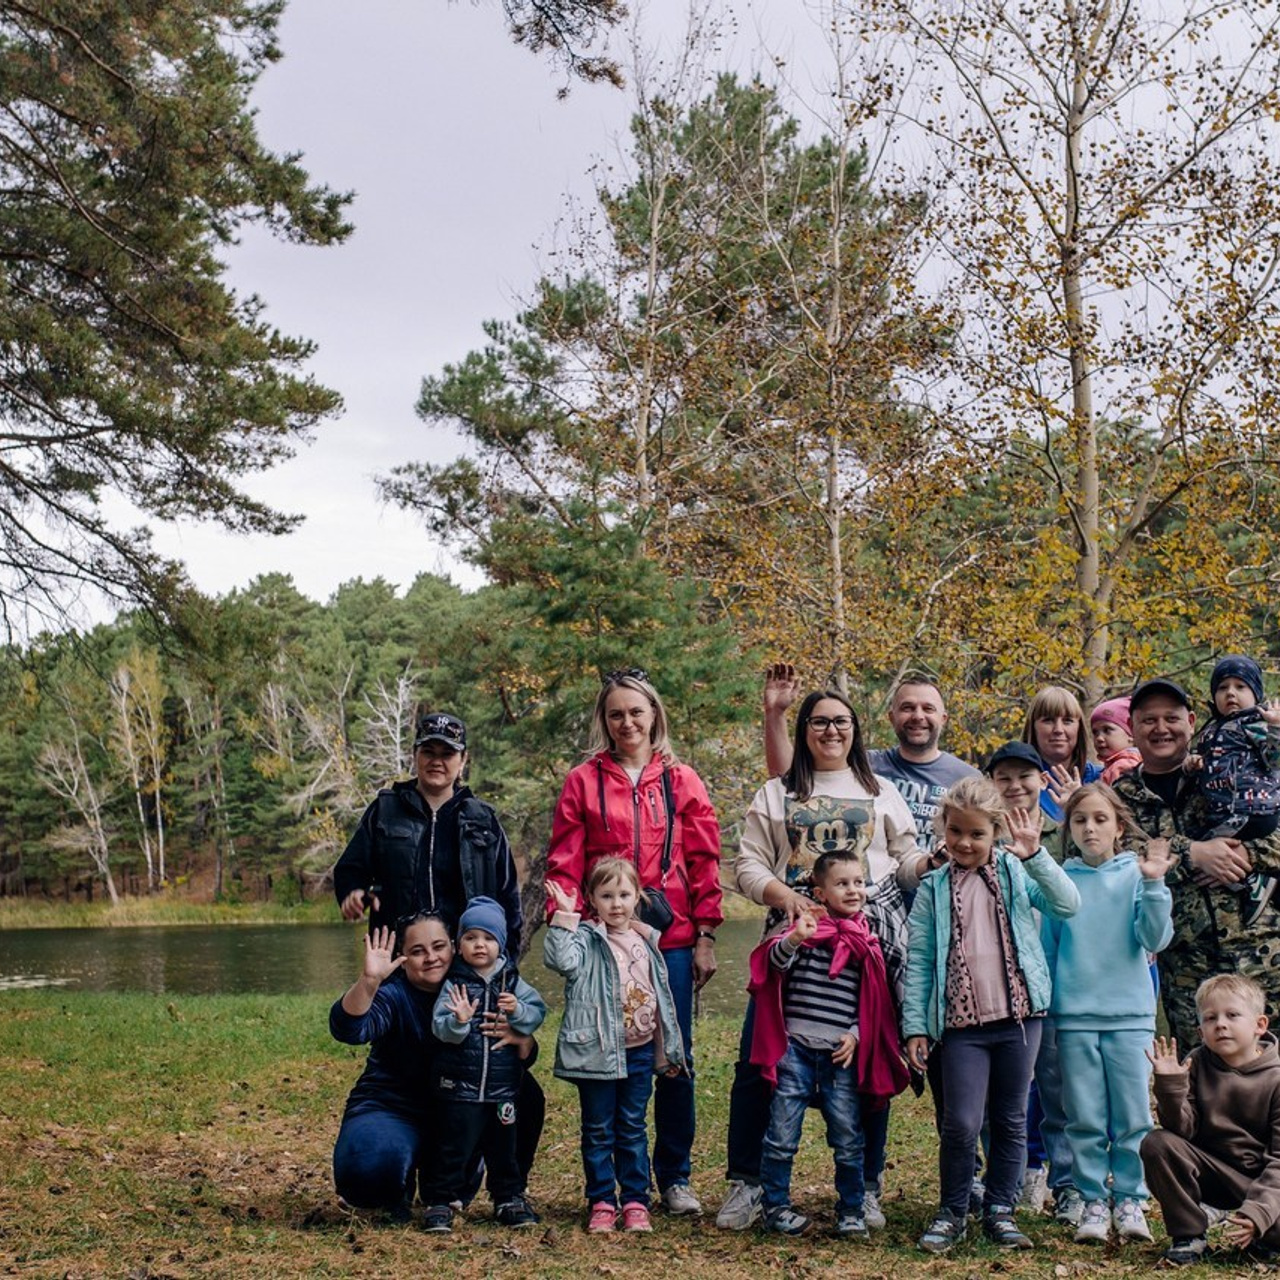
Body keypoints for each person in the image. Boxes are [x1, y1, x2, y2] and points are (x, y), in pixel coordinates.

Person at [720, 688, 918, 1233]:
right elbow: (749, 864)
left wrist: (929, 863)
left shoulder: (881, 791)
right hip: (793, 942)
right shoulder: (778, 792)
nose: (831, 730)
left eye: (842, 721)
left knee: (867, 1062)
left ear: (856, 729)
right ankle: (749, 1182)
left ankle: (866, 1188)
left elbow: (905, 859)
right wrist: (787, 899)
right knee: (758, 1062)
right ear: (804, 729)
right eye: (819, 722)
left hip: (865, 946)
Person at [544, 668, 722, 1216]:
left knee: (672, 1055)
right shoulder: (583, 781)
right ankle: (611, 1185)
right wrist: (567, 921)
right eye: (616, 714)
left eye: (636, 712)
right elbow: (565, 859)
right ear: (605, 719)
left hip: (671, 936)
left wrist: (706, 934)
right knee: (610, 1049)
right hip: (603, 939)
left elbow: (704, 859)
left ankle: (674, 1176)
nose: (627, 723)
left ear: (654, 715)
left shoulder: (682, 780)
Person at [904, 775, 1080, 1254]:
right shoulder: (933, 888)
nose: (964, 842)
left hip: (1020, 1019)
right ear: (943, 828)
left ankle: (1001, 1209)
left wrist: (1036, 855)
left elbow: (1067, 904)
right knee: (961, 1122)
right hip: (960, 1027)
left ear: (995, 832)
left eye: (977, 833)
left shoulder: (1015, 872)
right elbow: (919, 960)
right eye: (956, 831)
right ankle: (953, 1210)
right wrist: (916, 1026)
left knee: (1010, 1118)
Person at [329, 913, 544, 1221]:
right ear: (403, 958)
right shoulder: (395, 994)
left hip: (460, 1108)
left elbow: (522, 1055)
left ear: (454, 948)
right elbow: (349, 1030)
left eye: (439, 947)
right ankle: (395, 1177)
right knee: (369, 1174)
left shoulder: (484, 985)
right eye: (418, 951)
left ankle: (509, 1192)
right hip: (394, 1106)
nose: (431, 957)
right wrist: (370, 981)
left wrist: (523, 1040)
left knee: (525, 1093)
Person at [1112, 677, 1280, 1049]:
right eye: (1148, 720)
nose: (1161, 728)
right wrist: (1193, 853)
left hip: (1264, 957)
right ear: (1132, 729)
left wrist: (1247, 854)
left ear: (1190, 722)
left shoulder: (1235, 769)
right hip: (1189, 972)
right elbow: (1117, 859)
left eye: (1171, 718)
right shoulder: (1119, 798)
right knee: (1201, 1076)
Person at [748, 851, 910, 1237]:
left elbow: (873, 1002)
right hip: (796, 1049)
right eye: (842, 884)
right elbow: (774, 966)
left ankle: (851, 1210)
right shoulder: (805, 930)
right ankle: (775, 1206)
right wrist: (795, 939)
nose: (853, 890)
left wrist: (856, 1034)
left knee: (848, 1135)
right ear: (820, 893)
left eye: (858, 882)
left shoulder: (866, 939)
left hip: (840, 1053)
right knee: (782, 1132)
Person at [1041, 783, 1174, 1246]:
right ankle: (1094, 1199)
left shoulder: (1137, 875)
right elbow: (1048, 949)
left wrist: (1155, 884)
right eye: (1080, 820)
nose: (1090, 828)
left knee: (1134, 1113)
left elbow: (1154, 939)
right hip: (1074, 1016)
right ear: (1069, 829)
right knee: (1084, 1115)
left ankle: (1131, 1198)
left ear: (1119, 827)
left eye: (1100, 819)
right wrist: (1049, 1006)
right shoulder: (1060, 880)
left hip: (1129, 1015)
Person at [544, 858, 686, 1234]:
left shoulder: (646, 939)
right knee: (598, 1130)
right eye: (606, 896)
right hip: (599, 1053)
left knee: (632, 1126)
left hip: (639, 1051)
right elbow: (560, 961)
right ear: (592, 899)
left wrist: (666, 1051)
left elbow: (661, 1001)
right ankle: (603, 1201)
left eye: (624, 894)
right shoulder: (586, 939)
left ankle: (636, 1200)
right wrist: (564, 917)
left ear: (638, 896)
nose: (616, 904)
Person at [333, 711, 522, 946]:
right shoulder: (385, 811)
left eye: (447, 754)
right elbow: (350, 869)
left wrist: (507, 958)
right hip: (397, 954)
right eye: (428, 752)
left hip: (465, 957)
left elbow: (508, 897)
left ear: (463, 759)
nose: (437, 761)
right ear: (415, 754)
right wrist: (353, 892)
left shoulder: (483, 820)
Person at [420, 896, 547, 1233]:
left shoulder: (512, 981)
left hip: (503, 1087)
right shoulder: (455, 983)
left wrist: (518, 1011)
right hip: (461, 1086)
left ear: (500, 944)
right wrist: (459, 1021)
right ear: (458, 945)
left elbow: (538, 1013)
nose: (480, 945)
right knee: (453, 1145)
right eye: (471, 937)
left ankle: (508, 1197)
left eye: (488, 938)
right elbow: (440, 1028)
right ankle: (440, 1200)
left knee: (504, 1147)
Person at [762, 665, 978, 856]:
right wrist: (775, 714)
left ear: (943, 718)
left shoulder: (967, 779)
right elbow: (790, 778)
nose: (918, 716)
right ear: (891, 717)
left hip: (939, 885)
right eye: (907, 708)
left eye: (928, 708)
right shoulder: (864, 767)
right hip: (870, 885)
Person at [1142, 974, 1280, 1266]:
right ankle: (1189, 1236)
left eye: (1232, 1015)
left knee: (1273, 1222)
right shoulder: (1197, 1062)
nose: (1220, 1024)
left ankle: (1262, 1239)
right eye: (1210, 1018)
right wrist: (1170, 1086)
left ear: (1259, 1025)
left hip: (1263, 1181)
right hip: (1212, 1170)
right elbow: (1182, 1131)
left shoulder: (1276, 1078)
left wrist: (1258, 1211)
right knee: (1158, 1143)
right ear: (1201, 1030)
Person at [1184, 655, 1280, 925]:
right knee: (1203, 847)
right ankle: (1248, 880)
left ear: (1256, 693)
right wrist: (1195, 762)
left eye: (1240, 686)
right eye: (1223, 687)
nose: (1230, 693)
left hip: (1253, 809)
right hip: (1225, 810)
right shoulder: (1213, 729)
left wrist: (1275, 729)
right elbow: (1210, 762)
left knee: (1207, 851)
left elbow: (1276, 761)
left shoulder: (1256, 723)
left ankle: (1254, 881)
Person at [1021, 687, 1103, 822]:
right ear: (1033, 727)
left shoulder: (1102, 778)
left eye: (1067, 721)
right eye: (1048, 720)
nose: (1058, 730)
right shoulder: (1018, 785)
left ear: (1079, 728)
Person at [1089, 696, 1142, 786]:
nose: (1099, 738)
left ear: (1131, 733)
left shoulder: (1123, 767)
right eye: (1095, 732)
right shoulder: (1112, 766)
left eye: (1107, 730)